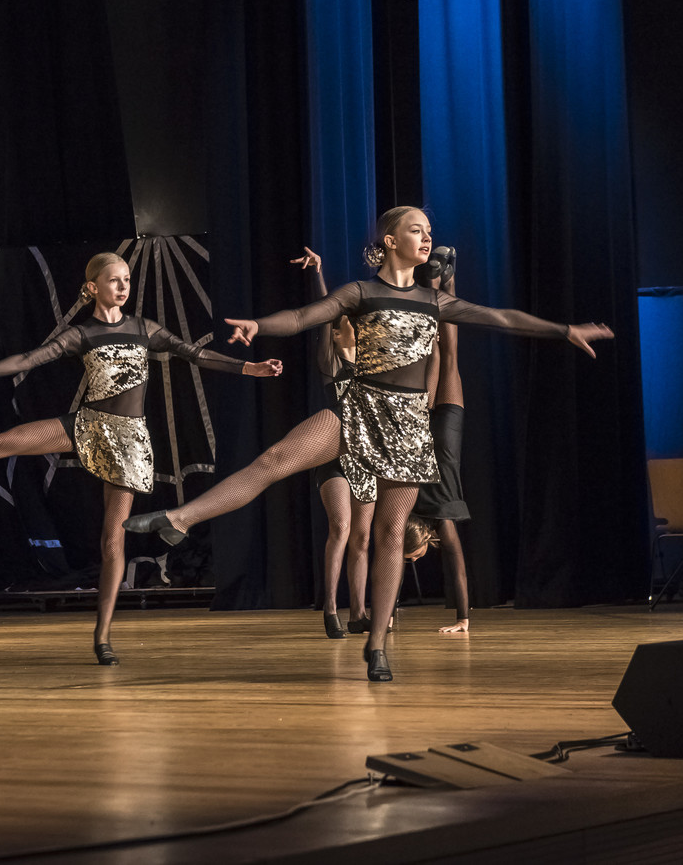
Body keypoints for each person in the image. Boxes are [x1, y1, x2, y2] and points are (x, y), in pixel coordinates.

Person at [126, 207, 612, 682]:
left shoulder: (434, 300)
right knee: (274, 459)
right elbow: (302, 317)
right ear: (389, 241)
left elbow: (501, 318)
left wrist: (564, 330)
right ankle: (180, 518)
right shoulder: (360, 292)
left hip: (407, 424)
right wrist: (260, 325)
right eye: (416, 230)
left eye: (428, 230)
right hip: (358, 405)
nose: (427, 238)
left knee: (390, 534)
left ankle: (376, 645)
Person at [0, 252, 281, 665]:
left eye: (127, 280)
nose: (123, 287)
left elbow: (196, 354)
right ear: (93, 287)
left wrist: (249, 368)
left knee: (112, 541)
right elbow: (28, 359)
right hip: (87, 424)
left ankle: (102, 637)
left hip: (129, 441)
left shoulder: (144, 328)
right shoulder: (82, 334)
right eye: (114, 280)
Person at [291, 247, 375, 640]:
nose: (349, 327)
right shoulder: (331, 362)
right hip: (335, 457)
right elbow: (325, 313)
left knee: (363, 537)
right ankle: (330, 607)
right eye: (343, 325)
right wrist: (318, 273)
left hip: (366, 458)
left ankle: (359, 612)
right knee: (340, 527)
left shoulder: (372, 368)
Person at [413, 247, 475, 634]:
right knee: (437, 351)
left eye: (414, 556)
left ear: (422, 539)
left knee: (448, 354)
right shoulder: (401, 505)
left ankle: (445, 277)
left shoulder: (443, 518)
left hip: (445, 428)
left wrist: (463, 620)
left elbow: (458, 568)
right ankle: (438, 277)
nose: (416, 560)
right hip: (423, 423)